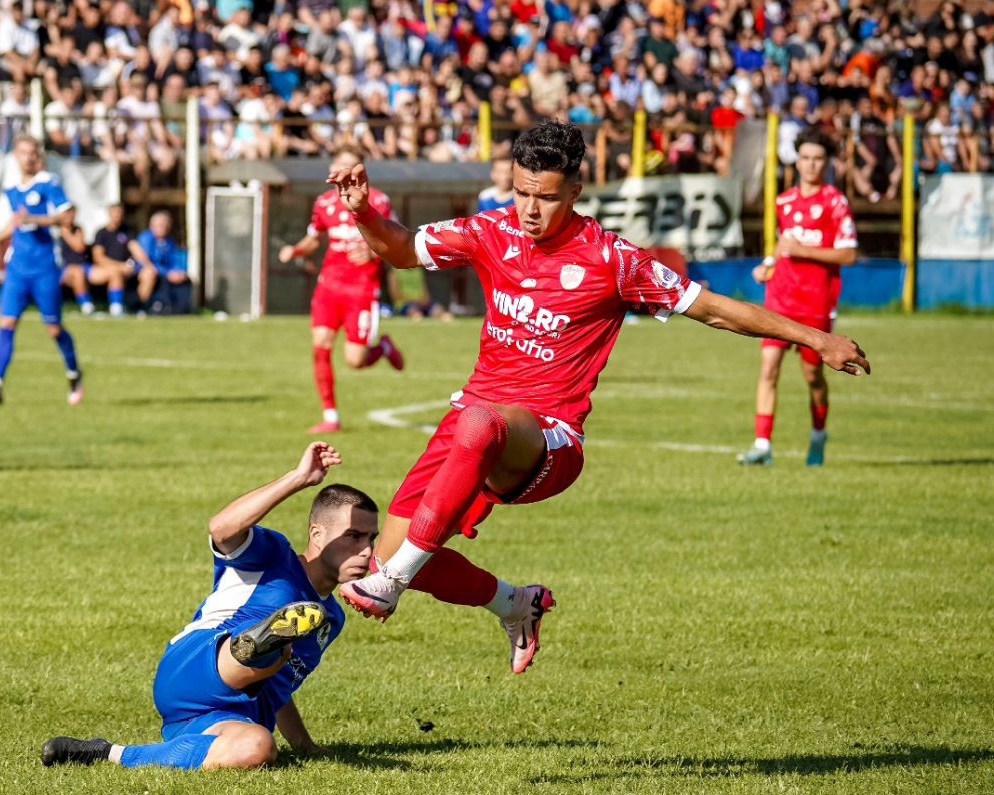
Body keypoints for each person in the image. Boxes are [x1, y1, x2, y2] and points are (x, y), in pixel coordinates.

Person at [326, 120, 869, 671]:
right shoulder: (492, 231)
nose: (530, 210)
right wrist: (363, 211)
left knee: (463, 447)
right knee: (395, 550)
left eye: (546, 198)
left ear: (576, 193)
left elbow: (715, 309)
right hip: (474, 421)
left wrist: (816, 337)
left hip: (550, 442)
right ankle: (516, 603)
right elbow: (398, 251)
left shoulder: (612, 260)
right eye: (521, 193)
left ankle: (390, 583)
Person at [39, 442, 375, 771]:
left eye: (371, 539)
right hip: (198, 665)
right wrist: (297, 478)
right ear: (317, 534)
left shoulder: (331, 619)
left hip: (221, 714)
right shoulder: (273, 554)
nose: (366, 550)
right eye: (354, 536)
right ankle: (252, 647)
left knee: (256, 748)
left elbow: (281, 689)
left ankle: (108, 753)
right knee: (273, 651)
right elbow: (221, 528)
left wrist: (305, 745)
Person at [740, 130, 858, 467]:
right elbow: (783, 243)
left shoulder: (835, 202)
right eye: (805, 158)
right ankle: (762, 445)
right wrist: (768, 264)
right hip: (781, 298)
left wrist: (802, 250)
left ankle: (819, 433)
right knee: (768, 368)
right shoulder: (784, 201)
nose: (810, 165)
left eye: (817, 159)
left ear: (827, 162)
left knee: (813, 376)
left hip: (815, 302)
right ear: (797, 161)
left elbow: (849, 254)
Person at [277, 145, 405, 434]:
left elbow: (399, 241)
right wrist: (295, 251)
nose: (345, 172)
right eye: (341, 165)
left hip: (362, 289)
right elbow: (313, 239)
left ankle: (382, 347)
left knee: (355, 360)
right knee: (320, 344)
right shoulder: (323, 203)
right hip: (329, 287)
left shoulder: (379, 202)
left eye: (352, 166)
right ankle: (331, 417)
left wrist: (373, 254)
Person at [0, 135, 83, 406]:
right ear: (15, 155)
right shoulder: (12, 188)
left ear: (38, 156)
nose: (28, 158)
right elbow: (16, 223)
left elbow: (67, 216)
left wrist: (36, 219)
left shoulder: (48, 183)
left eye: (32, 153)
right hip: (17, 269)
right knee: (7, 323)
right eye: (23, 153)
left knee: (53, 328)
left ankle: (73, 372)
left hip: (45, 267)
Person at [85, 203, 158, 318]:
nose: (117, 216)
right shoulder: (102, 233)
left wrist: (149, 265)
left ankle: (139, 307)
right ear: (109, 215)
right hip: (104, 269)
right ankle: (116, 308)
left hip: (126, 268)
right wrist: (120, 266)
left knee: (149, 274)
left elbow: (136, 249)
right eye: (115, 213)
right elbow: (98, 258)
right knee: (115, 273)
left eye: (120, 213)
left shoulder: (127, 231)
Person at [135, 210, 192, 315]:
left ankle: (179, 309)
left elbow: (174, 259)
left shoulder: (169, 241)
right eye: (160, 224)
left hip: (164, 272)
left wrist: (178, 272)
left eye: (166, 224)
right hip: (145, 272)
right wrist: (167, 273)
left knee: (183, 279)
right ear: (152, 225)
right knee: (150, 274)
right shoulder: (146, 238)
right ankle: (142, 307)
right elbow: (146, 262)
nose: (164, 227)